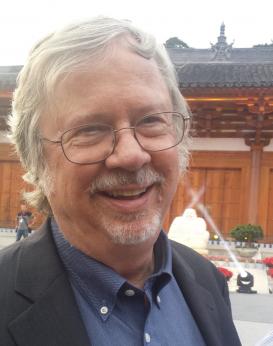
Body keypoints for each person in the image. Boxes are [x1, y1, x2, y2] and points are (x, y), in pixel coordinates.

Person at [0, 17, 241, 345]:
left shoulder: (206, 279)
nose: (131, 155)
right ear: (35, 157)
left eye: (151, 120)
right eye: (90, 129)